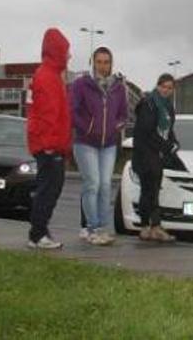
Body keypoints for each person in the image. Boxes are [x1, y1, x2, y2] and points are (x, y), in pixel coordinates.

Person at [71, 46, 128, 246]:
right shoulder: (81, 84)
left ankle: (102, 227)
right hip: (86, 142)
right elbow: (73, 110)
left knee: (105, 185)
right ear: (92, 63)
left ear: (111, 64)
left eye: (107, 62)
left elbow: (123, 114)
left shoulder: (118, 87)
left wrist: (116, 126)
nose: (103, 66)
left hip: (109, 144)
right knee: (92, 183)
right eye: (99, 62)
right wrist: (87, 128)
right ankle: (92, 228)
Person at [27, 28, 72, 250]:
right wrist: (51, 146)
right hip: (49, 145)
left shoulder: (48, 75)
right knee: (49, 189)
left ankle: (39, 231)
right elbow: (48, 115)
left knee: (49, 188)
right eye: (66, 51)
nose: (69, 56)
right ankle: (37, 234)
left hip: (50, 143)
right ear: (57, 52)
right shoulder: (48, 78)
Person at [132, 73, 181, 243]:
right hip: (145, 153)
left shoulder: (168, 107)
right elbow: (147, 131)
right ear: (158, 86)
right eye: (164, 87)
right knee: (149, 190)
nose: (166, 90)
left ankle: (151, 227)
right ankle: (150, 227)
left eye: (170, 88)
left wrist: (174, 142)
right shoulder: (149, 103)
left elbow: (168, 130)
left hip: (158, 155)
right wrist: (166, 146)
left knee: (152, 190)